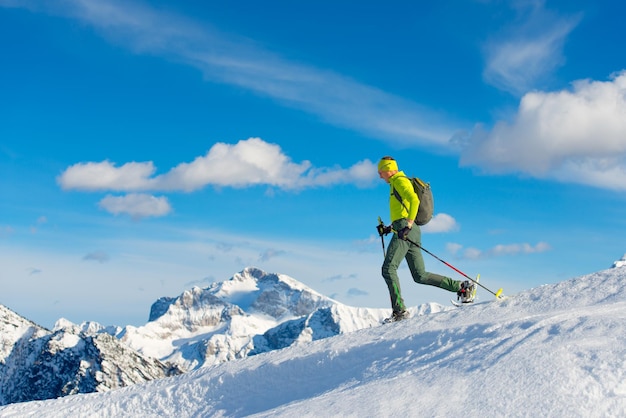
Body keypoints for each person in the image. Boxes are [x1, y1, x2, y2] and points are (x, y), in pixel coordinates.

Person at [376, 156, 475, 322]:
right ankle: (462, 287)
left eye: (381, 172)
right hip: (408, 230)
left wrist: (407, 225)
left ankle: (399, 312)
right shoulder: (395, 183)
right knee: (420, 275)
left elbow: (414, 200)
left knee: (388, 268)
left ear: (388, 169)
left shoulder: (400, 181)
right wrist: (388, 228)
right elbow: (402, 212)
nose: (380, 176)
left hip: (406, 229)